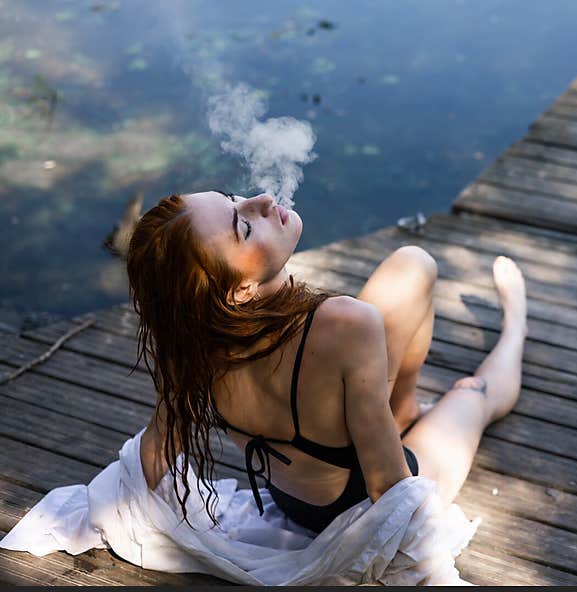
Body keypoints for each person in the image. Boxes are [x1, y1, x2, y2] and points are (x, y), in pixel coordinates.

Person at [128, 190, 528, 540]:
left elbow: (154, 453)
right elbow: (390, 489)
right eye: (244, 227)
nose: (262, 200)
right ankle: (516, 326)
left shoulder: (192, 341)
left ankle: (403, 413)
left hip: (294, 499)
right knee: (475, 395)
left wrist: (143, 513)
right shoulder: (344, 323)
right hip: (357, 504)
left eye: (233, 197)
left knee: (413, 264)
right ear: (241, 289)